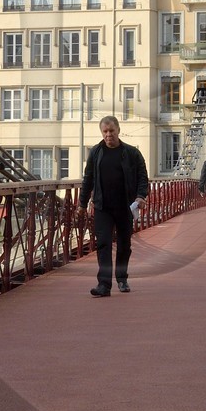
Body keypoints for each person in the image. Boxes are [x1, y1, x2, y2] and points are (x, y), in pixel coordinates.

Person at [79, 115, 149, 297]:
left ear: (118, 130)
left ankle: (122, 278)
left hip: (125, 206)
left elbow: (143, 176)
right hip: (103, 207)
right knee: (103, 244)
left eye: (111, 131)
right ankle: (104, 285)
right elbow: (88, 179)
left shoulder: (132, 153)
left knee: (124, 245)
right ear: (102, 132)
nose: (108, 134)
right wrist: (82, 203)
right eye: (105, 131)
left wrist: (141, 196)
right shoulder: (95, 152)